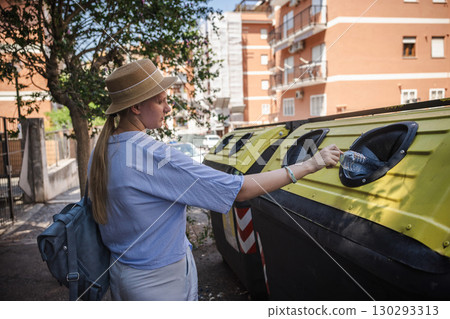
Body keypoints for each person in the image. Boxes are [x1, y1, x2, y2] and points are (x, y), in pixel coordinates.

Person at [88, 59, 342, 301]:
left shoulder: (102, 151)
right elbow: (238, 189)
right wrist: (309, 164)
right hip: (160, 282)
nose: (168, 108)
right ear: (135, 107)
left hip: (122, 275)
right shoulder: (150, 153)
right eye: (161, 101)